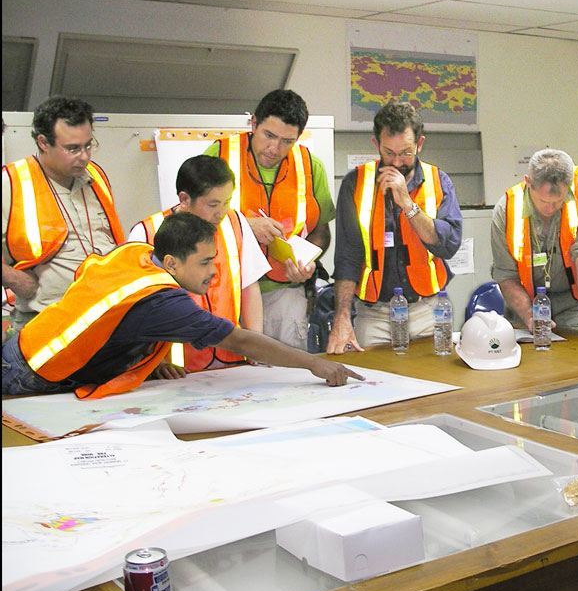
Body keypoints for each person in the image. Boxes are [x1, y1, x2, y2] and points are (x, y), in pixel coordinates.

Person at [3, 212, 362, 397]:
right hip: (34, 372)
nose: (214, 271)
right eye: (205, 262)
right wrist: (315, 365)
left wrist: (144, 355)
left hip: (26, 343)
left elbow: (99, 295)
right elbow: (239, 340)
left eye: (214, 259)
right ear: (172, 262)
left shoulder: (137, 254)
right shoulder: (164, 300)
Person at [327, 101, 463, 353]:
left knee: (434, 384)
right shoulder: (355, 183)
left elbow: (449, 245)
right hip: (374, 314)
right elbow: (347, 257)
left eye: (406, 152)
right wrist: (342, 316)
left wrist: (407, 203)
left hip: (428, 310)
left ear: (420, 144)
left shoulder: (438, 181)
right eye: (389, 152)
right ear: (376, 144)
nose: (397, 161)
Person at [208, 88, 336, 350]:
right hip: (227, 292)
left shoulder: (311, 166)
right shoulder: (218, 155)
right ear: (254, 123)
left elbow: (321, 232)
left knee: (289, 379)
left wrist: (307, 261)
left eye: (287, 141)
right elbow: (193, 221)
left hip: (286, 295)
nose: (274, 149)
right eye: (269, 135)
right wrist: (244, 226)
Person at [127, 153, 271, 369]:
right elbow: (134, 308)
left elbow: (249, 286)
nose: (221, 212)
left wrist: (255, 341)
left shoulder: (236, 223)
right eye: (213, 204)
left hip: (231, 359)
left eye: (227, 202)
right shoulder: (146, 232)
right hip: (176, 368)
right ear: (184, 200)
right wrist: (150, 360)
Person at [2, 94, 124, 327]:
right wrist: (14, 279)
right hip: (46, 323)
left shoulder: (95, 176)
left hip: (105, 318)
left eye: (88, 145)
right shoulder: (10, 183)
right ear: (43, 143)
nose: (84, 157)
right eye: (73, 149)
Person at [491, 148, 578, 338]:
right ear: (527, 182)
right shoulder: (505, 210)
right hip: (526, 305)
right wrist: (531, 316)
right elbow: (506, 275)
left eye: (558, 201)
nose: (550, 208)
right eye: (543, 200)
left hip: (572, 304)